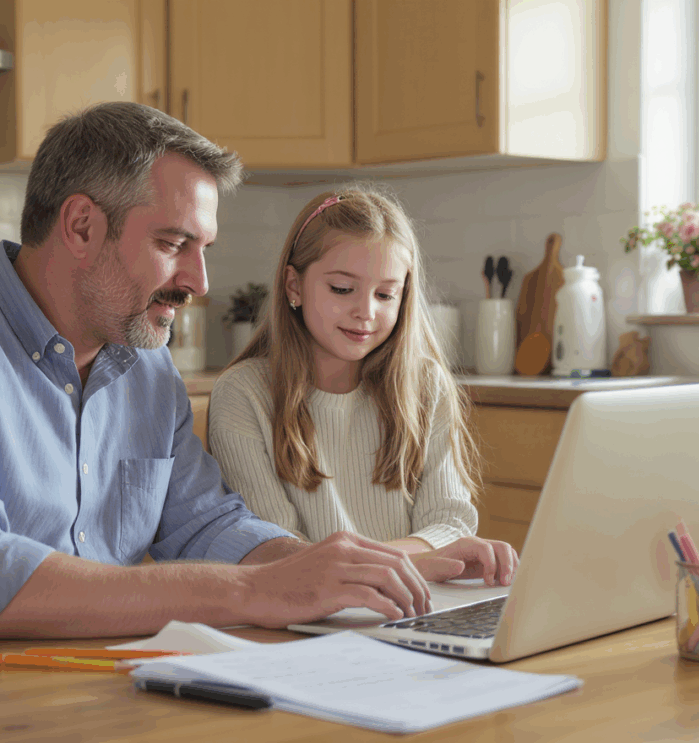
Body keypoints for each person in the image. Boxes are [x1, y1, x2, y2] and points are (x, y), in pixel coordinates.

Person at [0, 104, 466, 667]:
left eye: (203, 247)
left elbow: (206, 521)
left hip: (74, 697)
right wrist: (250, 591)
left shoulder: (144, 365)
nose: (200, 282)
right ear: (82, 225)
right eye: (176, 243)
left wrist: (322, 571)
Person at [208, 186, 519, 586]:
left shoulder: (426, 385)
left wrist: (399, 566)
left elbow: (449, 522)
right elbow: (273, 549)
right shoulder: (243, 394)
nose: (366, 312)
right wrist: (412, 560)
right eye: (342, 289)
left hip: (419, 599)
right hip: (309, 612)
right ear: (293, 286)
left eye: (386, 294)